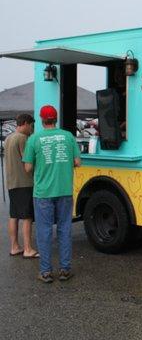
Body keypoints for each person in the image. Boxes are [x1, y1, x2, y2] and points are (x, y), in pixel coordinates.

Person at [23, 105, 81, 283]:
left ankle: (46, 272)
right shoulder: (68, 136)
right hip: (64, 190)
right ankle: (64, 270)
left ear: (41, 119)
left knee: (44, 232)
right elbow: (77, 162)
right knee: (64, 230)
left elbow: (28, 167)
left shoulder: (34, 139)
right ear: (56, 119)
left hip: (43, 193)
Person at [5, 114, 39, 258]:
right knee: (27, 217)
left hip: (12, 182)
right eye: (31, 125)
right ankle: (28, 249)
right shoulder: (23, 138)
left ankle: (14, 247)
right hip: (24, 183)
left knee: (14, 216)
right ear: (24, 123)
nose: (32, 129)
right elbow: (28, 164)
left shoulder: (8, 138)